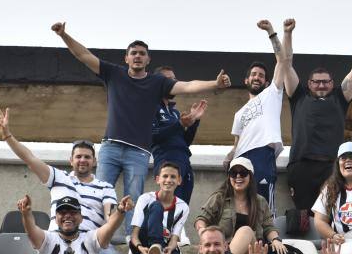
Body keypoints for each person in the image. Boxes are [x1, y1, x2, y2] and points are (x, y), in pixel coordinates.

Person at [52, 22, 230, 234]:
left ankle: (130, 241)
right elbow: (83, 55)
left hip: (138, 152)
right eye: (133, 53)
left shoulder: (157, 82)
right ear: (126, 58)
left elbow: (188, 85)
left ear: (148, 59)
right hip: (111, 147)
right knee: (99, 192)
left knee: (133, 198)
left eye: (142, 53)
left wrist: (215, 84)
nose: (137, 56)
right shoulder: (113, 73)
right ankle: (94, 236)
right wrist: (63, 35)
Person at [0, 108, 126, 254]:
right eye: (78, 156)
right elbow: (30, 159)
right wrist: (7, 136)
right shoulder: (58, 177)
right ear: (70, 160)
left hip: (90, 241)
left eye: (87, 157)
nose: (82, 160)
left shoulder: (105, 187)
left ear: (94, 161)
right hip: (58, 239)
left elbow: (109, 215)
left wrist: (118, 214)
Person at [282, 18, 352, 228]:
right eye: (316, 81)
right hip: (301, 165)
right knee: (303, 219)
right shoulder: (298, 96)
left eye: (325, 81)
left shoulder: (340, 98)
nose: (321, 85)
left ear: (332, 84)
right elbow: (285, 63)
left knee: (331, 215)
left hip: (331, 166)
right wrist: (287, 34)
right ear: (309, 83)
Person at [224, 19, 291, 215]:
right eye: (253, 74)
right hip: (240, 159)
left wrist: (272, 32)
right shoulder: (239, 113)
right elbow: (237, 142)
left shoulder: (272, 93)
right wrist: (229, 156)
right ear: (246, 80)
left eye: (261, 75)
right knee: (240, 204)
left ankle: (267, 241)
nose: (257, 77)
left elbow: (283, 61)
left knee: (263, 202)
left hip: (262, 154)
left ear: (267, 81)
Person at [194, 157, 283, 254]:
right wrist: (203, 232)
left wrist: (276, 240)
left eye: (243, 173)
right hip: (221, 248)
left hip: (251, 253)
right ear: (229, 177)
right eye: (233, 173)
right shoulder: (219, 198)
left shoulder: (260, 201)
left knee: (246, 231)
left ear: (250, 176)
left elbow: (269, 227)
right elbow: (201, 219)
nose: (238, 176)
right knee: (244, 231)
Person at [151, 66, 207, 205]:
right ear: (157, 82)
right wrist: (179, 124)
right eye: (169, 79)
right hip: (167, 161)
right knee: (169, 208)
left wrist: (195, 121)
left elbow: (185, 141)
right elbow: (152, 137)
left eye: (174, 79)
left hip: (185, 162)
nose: (174, 82)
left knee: (182, 208)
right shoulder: (150, 106)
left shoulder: (174, 112)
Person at [129, 162, 189, 254]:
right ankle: (155, 246)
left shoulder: (183, 207)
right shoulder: (145, 198)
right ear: (158, 180)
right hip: (143, 245)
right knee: (157, 206)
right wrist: (139, 247)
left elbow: (174, 239)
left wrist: (170, 248)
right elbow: (134, 235)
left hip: (164, 247)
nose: (169, 180)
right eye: (165, 176)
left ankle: (157, 250)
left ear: (179, 181)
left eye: (173, 177)